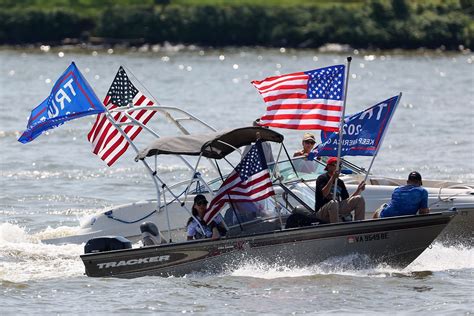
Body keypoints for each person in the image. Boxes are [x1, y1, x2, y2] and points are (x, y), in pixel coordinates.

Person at [315, 157, 366, 223]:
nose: (338, 168)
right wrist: (332, 178)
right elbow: (324, 194)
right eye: (335, 165)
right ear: (328, 166)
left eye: (340, 166)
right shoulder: (322, 178)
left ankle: (359, 225)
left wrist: (358, 190)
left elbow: (347, 200)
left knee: (359, 198)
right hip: (323, 211)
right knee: (333, 203)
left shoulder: (340, 182)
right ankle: (336, 227)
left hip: (337, 208)